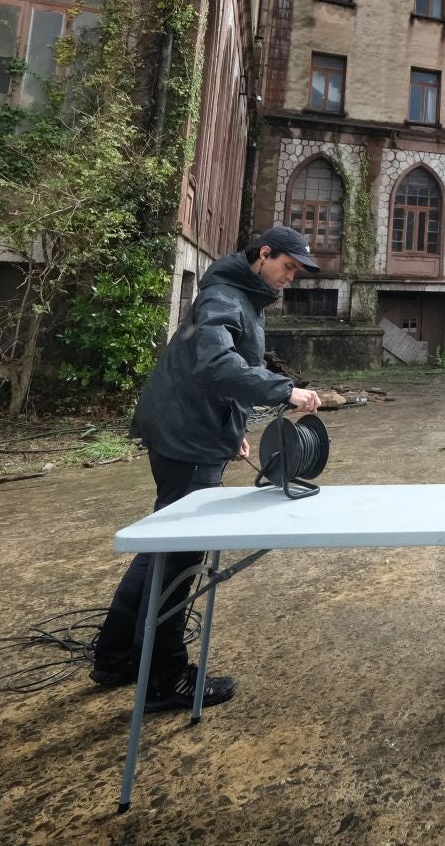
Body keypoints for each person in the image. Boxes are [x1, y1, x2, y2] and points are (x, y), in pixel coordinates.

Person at [91, 225, 323, 710]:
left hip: (193, 431)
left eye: (298, 271)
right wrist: (285, 390)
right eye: (288, 266)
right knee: (180, 559)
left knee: (160, 547)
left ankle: (115, 656)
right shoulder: (223, 296)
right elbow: (217, 364)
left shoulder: (241, 294)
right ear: (264, 254)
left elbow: (215, 379)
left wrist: (231, 429)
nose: (291, 277)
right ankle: (164, 679)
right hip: (185, 439)